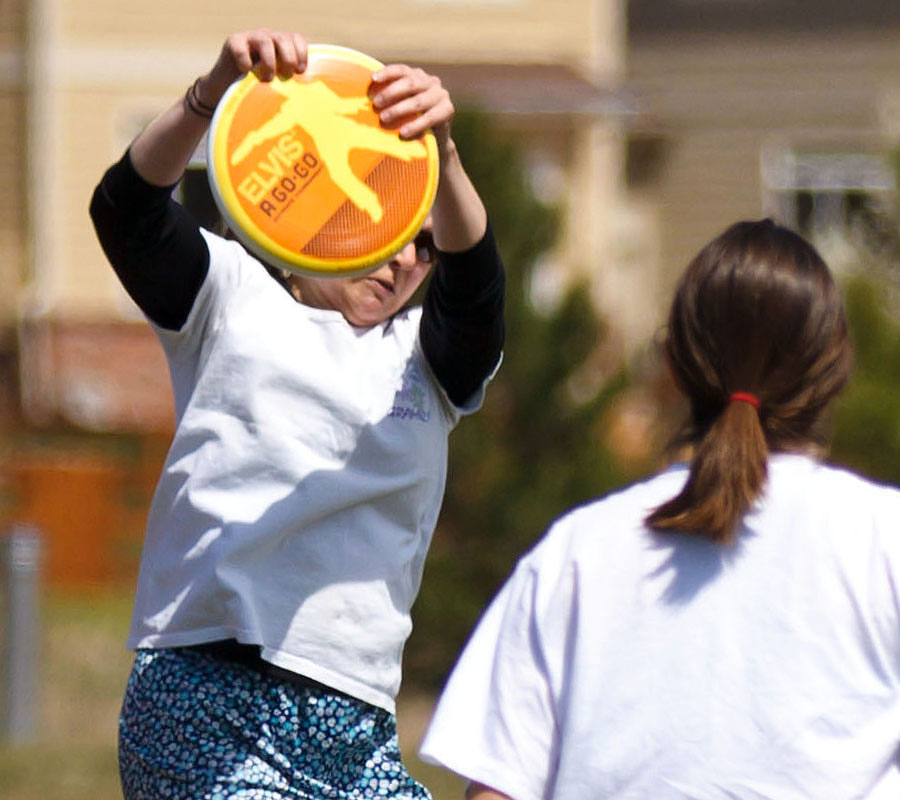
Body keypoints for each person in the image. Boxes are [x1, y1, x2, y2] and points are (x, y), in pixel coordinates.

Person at [89, 28, 504, 800]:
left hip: (355, 726)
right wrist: (210, 96)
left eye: (422, 244)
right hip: (204, 694)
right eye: (381, 226)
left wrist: (442, 158)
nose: (405, 258)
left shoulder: (428, 359)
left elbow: (477, 289)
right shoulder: (229, 294)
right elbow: (127, 211)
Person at [419, 219, 900, 799]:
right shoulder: (883, 540)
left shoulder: (577, 552)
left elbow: (497, 788)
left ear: (673, 363)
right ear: (833, 371)